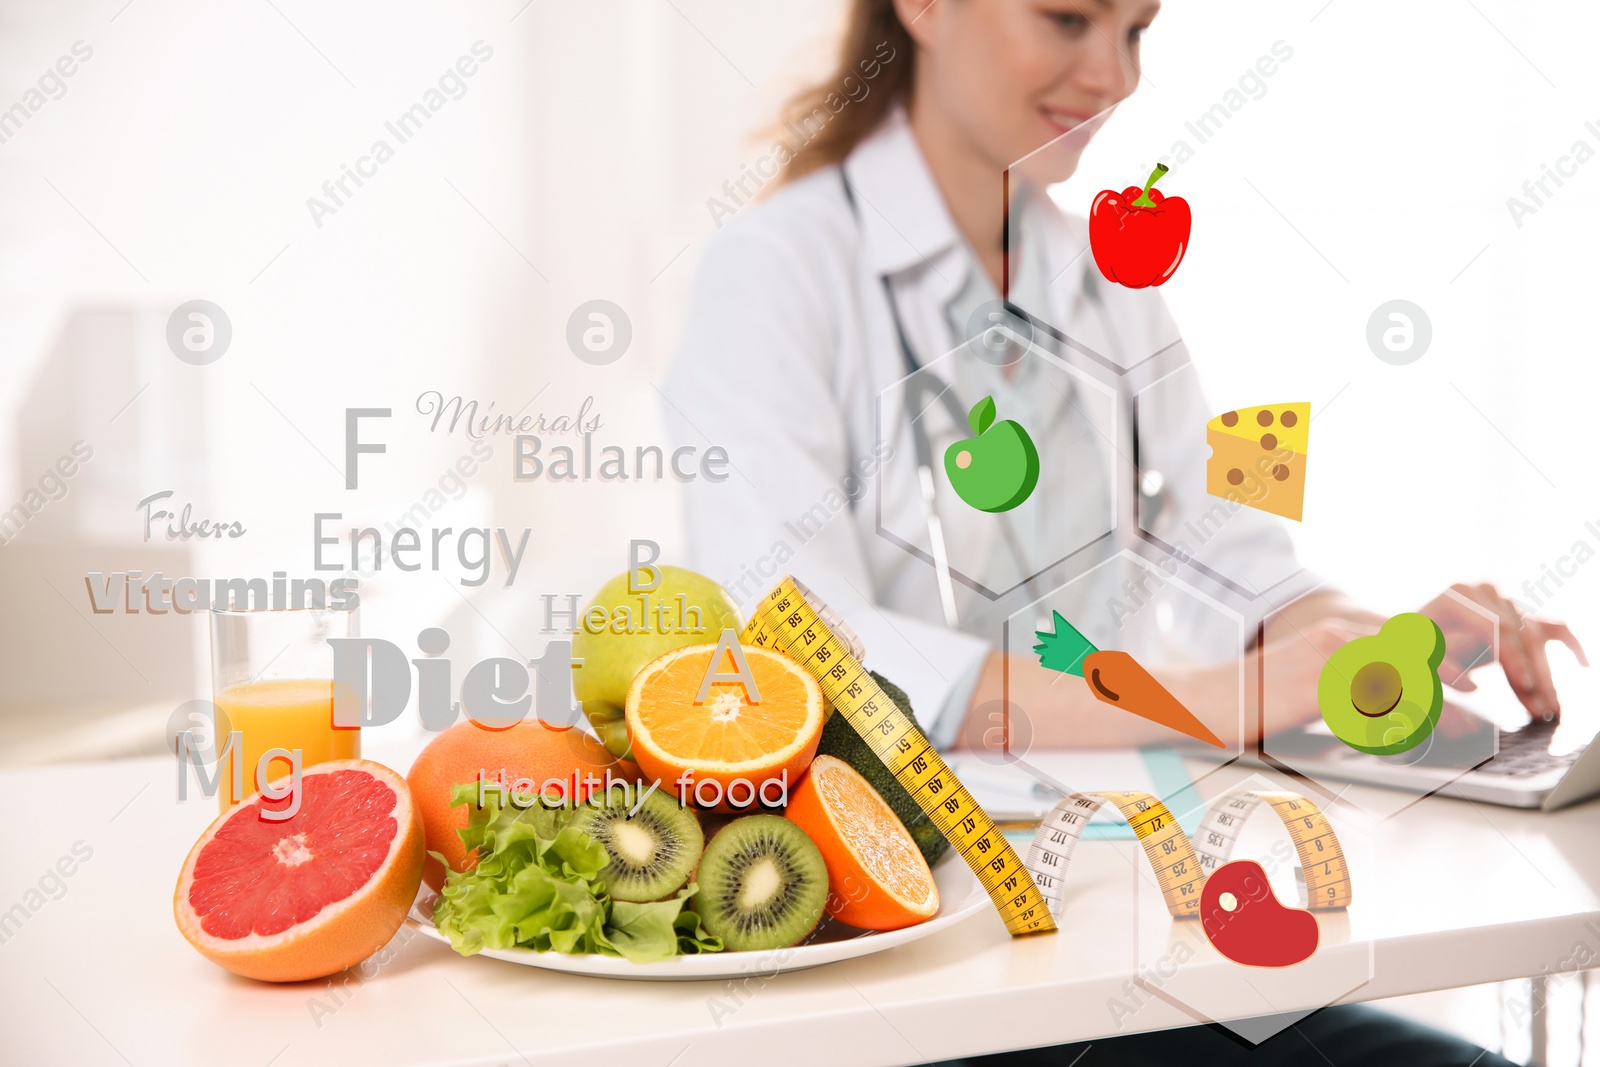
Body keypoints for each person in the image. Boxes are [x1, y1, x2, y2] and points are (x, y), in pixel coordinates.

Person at [664, 1, 1581, 1062]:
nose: (1114, 74)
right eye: (1066, 18)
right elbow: (807, 650)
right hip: (920, 950)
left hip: (1129, 906)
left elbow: (1225, 547)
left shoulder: (1101, 268)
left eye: (1136, 29)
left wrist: (1378, 646)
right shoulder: (775, 270)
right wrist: (1212, 702)